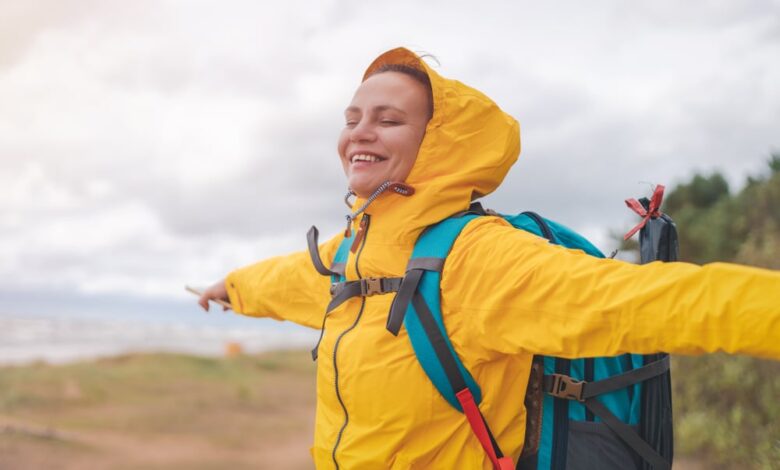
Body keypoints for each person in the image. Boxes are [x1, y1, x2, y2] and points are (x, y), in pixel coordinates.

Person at [197, 47, 780, 469]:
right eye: (352, 120)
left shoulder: (480, 260)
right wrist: (232, 288)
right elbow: (290, 279)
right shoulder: (352, 250)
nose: (360, 133)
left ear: (438, 144)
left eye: (389, 120)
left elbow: (652, 301)